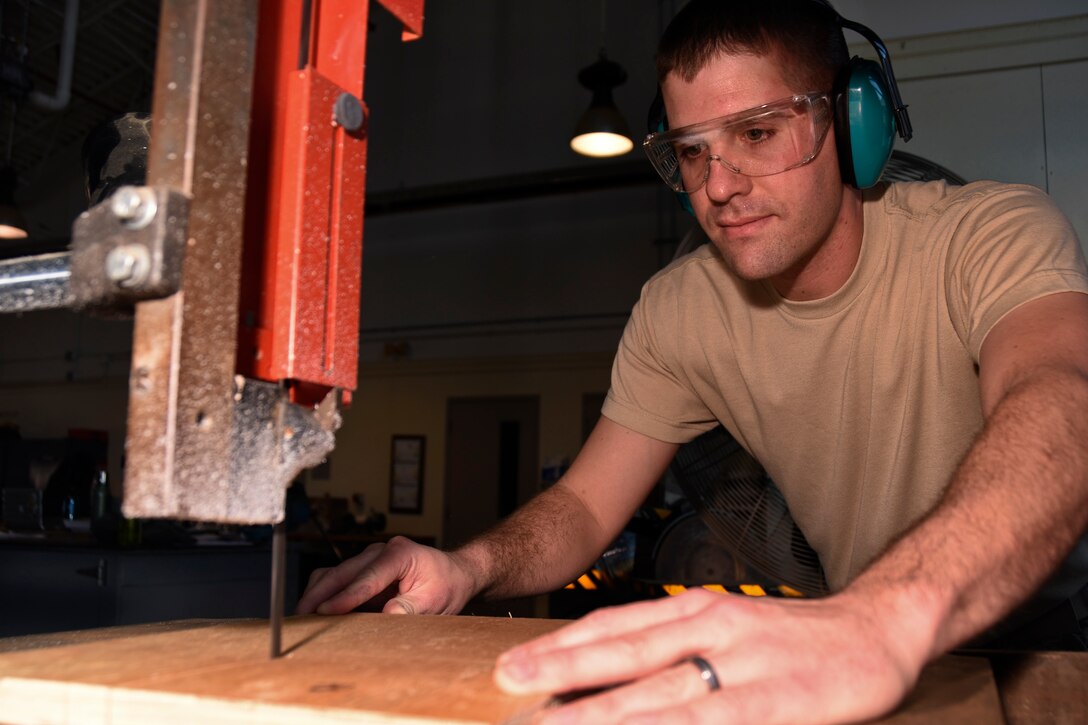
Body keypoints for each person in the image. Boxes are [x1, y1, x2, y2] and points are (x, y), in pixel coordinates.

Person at [297, 1, 1088, 721]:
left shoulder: (988, 235)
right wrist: (466, 566)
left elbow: (1061, 404)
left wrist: (881, 616)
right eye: (692, 150)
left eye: (756, 133)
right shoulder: (679, 311)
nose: (720, 184)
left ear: (852, 122)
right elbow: (581, 507)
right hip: (861, 650)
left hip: (1045, 651)